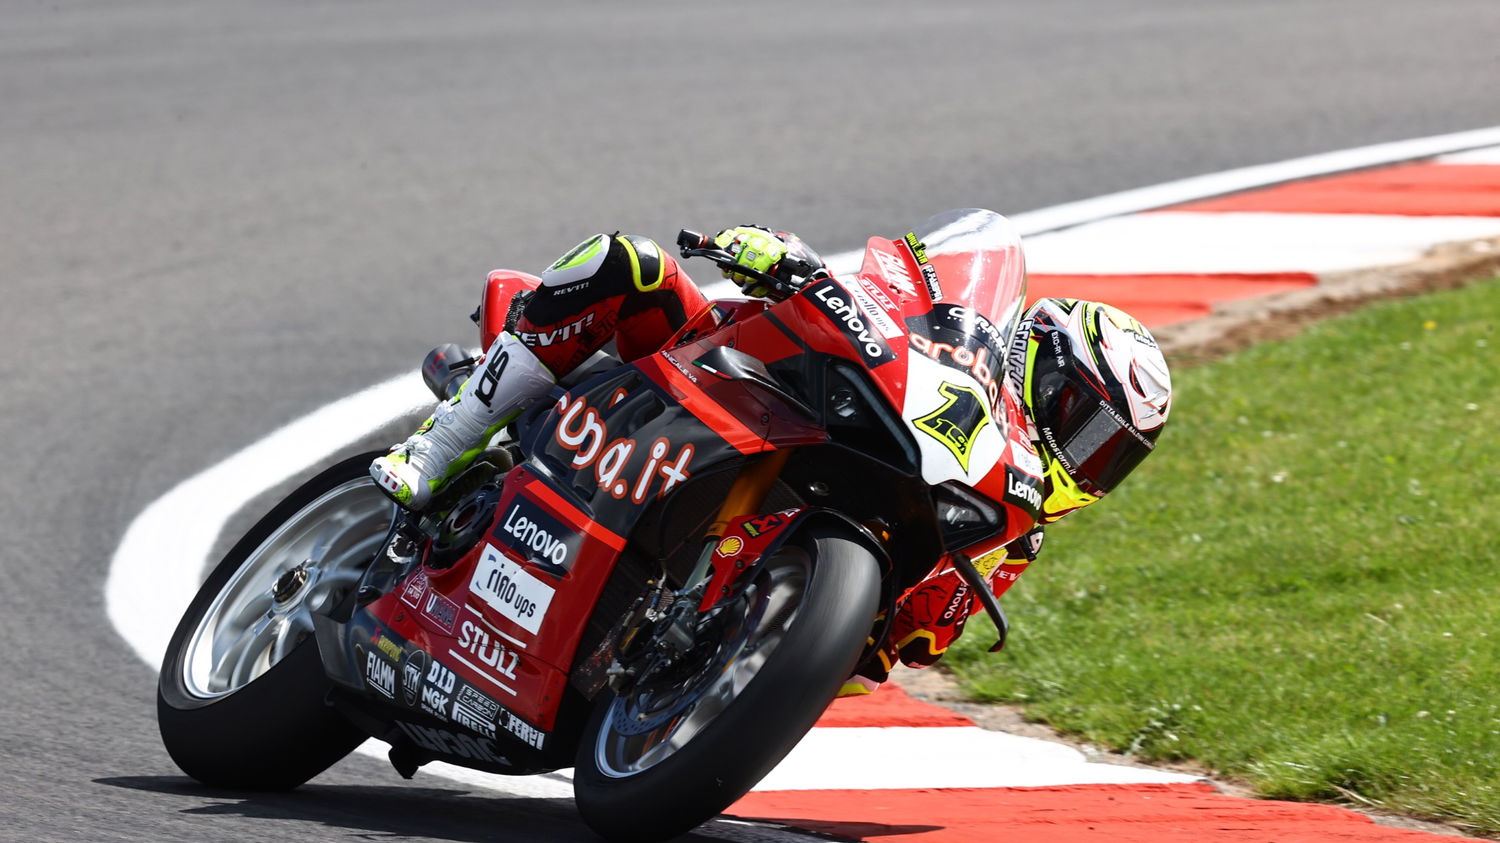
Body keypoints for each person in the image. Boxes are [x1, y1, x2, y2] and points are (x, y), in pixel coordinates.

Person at [369, 226, 1172, 694]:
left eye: (1111, 457)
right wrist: (782, 257)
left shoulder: (1009, 530)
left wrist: (857, 635)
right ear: (1039, 363)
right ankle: (441, 446)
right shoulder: (947, 345)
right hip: (702, 363)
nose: (1087, 461)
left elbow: (900, 649)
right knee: (627, 260)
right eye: (1085, 427)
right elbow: (873, 293)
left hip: (766, 514)